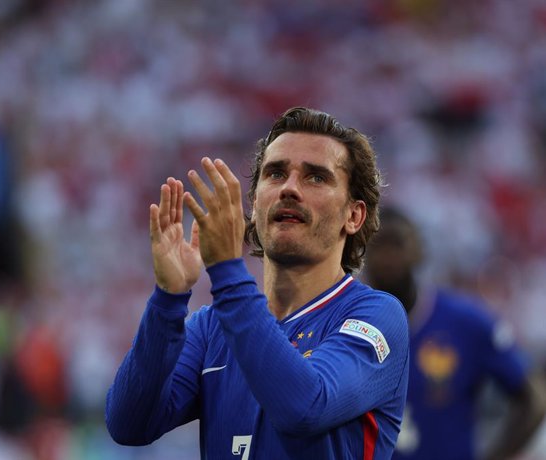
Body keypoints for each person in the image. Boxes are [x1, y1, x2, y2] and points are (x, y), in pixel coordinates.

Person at [106, 107, 410, 459]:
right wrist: (168, 299)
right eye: (276, 173)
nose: (289, 189)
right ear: (254, 204)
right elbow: (129, 423)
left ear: (353, 216)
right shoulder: (212, 328)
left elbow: (306, 406)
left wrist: (226, 269)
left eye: (315, 177)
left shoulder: (376, 317)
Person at [364, 206, 546, 460]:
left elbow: (533, 398)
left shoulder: (465, 322)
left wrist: (497, 455)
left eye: (397, 244)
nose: (388, 257)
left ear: (419, 250)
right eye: (378, 246)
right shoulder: (345, 326)